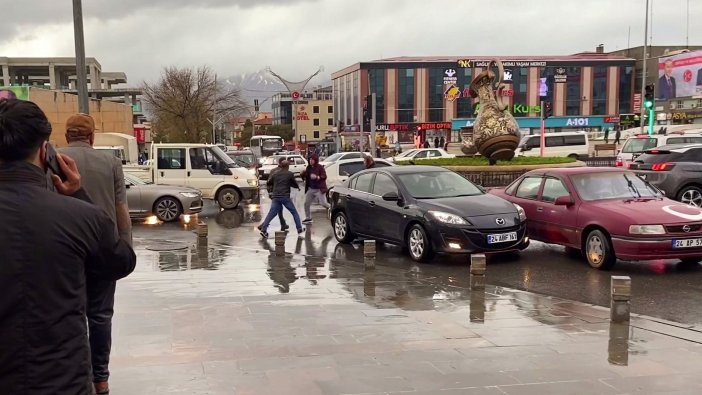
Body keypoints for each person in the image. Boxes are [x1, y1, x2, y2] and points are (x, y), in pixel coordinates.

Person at [0, 99, 136, 394]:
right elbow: (122, 262)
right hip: (63, 381)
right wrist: (78, 195)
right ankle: (101, 378)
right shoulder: (81, 214)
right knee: (99, 316)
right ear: (44, 150)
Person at [59, 113, 133, 395]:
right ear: (91, 137)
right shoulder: (111, 163)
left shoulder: (53, 159)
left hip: (64, 250)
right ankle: (100, 378)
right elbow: (121, 211)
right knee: (101, 315)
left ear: (67, 136)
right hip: (103, 248)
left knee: (69, 312)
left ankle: (77, 373)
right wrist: (124, 247)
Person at [258, 160, 304, 238]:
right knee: (294, 212)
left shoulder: (275, 174)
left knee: (271, 213)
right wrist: (297, 187)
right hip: (285, 196)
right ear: (287, 166)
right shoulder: (289, 174)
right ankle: (299, 229)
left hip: (275, 196)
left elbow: (269, 182)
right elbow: (294, 183)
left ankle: (263, 230)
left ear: (281, 166)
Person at [301, 153, 330, 224]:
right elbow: (306, 176)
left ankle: (332, 208)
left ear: (315, 160)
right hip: (311, 189)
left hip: (319, 189)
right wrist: (303, 175)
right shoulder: (308, 167)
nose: (310, 161)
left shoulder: (320, 167)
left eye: (312, 159)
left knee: (323, 203)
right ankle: (308, 218)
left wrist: (317, 177)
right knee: (306, 203)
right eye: (310, 159)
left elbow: (324, 176)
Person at [266, 156, 289, 231]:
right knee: (274, 211)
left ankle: (283, 224)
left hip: (273, 193)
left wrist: (269, 192)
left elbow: (268, 183)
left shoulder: (273, 170)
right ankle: (263, 225)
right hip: (278, 194)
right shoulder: (282, 171)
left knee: (278, 209)